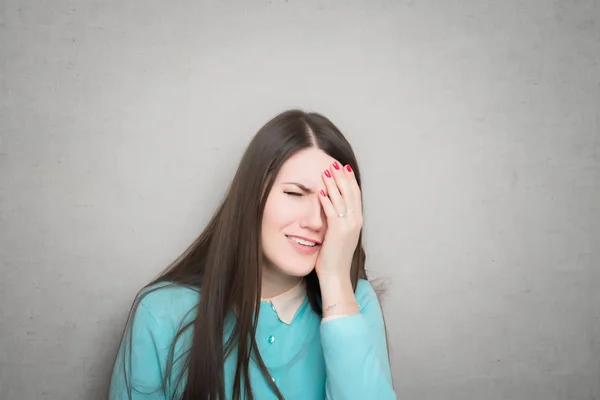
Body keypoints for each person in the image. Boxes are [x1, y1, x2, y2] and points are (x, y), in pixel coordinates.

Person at [108, 109, 396, 399]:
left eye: (332, 202)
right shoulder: (162, 313)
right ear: (252, 196)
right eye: (294, 194)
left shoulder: (355, 302)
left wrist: (335, 279)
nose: (315, 221)